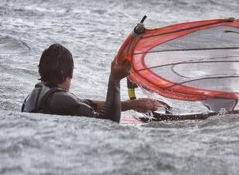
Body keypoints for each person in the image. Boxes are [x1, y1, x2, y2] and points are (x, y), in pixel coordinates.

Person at [21, 43, 161, 122]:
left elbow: (88, 104)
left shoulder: (34, 96)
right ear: (66, 73)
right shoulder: (60, 99)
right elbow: (108, 122)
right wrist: (114, 80)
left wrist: (133, 105)